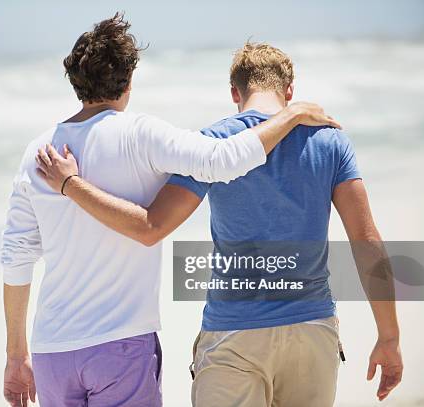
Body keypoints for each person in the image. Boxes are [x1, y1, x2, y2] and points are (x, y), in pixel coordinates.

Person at [36, 42, 403, 406]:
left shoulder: (212, 144)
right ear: (289, 91)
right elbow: (365, 240)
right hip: (312, 330)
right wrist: (389, 337)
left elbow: (150, 226)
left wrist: (71, 185)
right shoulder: (330, 140)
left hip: (235, 333)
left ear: (234, 93)